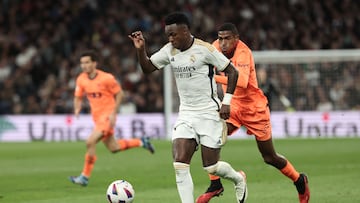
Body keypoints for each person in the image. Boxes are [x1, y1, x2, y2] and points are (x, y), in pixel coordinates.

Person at [129, 12, 247, 203]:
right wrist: (141, 49)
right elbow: (148, 68)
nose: (170, 38)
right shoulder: (169, 50)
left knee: (211, 167)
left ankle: (238, 178)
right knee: (180, 164)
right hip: (186, 114)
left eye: (173, 34)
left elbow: (232, 72)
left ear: (185, 31)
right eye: (168, 35)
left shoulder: (205, 49)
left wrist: (227, 102)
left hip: (209, 112)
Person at [196, 23, 310, 203]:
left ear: (236, 38)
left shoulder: (244, 52)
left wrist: (211, 77)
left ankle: (299, 180)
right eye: (220, 38)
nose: (223, 43)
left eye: (227, 39)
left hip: (254, 109)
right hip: (232, 105)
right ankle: (215, 184)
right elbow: (199, 58)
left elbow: (240, 81)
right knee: (210, 137)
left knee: (269, 157)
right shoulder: (215, 47)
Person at [69, 50, 155, 186]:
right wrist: (77, 108)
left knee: (90, 142)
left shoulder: (106, 78)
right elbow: (78, 97)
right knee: (113, 148)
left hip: (107, 116)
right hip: (97, 118)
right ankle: (141, 142)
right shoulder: (81, 79)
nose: (84, 66)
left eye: (87, 62)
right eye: (82, 63)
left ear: (94, 63)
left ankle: (84, 177)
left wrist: (114, 113)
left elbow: (120, 94)